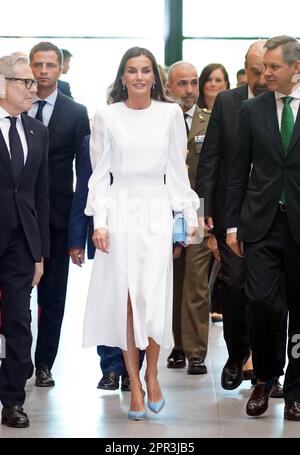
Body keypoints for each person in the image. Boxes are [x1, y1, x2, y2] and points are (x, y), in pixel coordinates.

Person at [83, 46, 199, 420]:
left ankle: (153, 373)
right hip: (119, 210)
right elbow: (99, 174)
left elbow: (177, 172)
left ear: (154, 77)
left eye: (145, 70)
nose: (138, 77)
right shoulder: (105, 116)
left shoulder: (170, 115)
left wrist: (188, 213)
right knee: (128, 300)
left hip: (155, 210)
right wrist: (99, 221)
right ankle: (134, 382)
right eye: (131, 71)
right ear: (122, 77)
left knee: (152, 298)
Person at [195, 40, 285, 395]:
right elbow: (210, 163)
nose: (262, 77)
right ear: (245, 69)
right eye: (255, 70)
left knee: (269, 296)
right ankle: (237, 354)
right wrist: (207, 218)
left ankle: (269, 372)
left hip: (269, 215)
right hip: (231, 212)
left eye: (268, 69)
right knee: (233, 288)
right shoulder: (229, 103)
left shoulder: (283, 106)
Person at [226, 35, 300, 421]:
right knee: (262, 303)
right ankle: (265, 378)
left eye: (273, 67)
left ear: (296, 68)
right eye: (264, 66)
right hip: (261, 224)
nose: (265, 73)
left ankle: (297, 393)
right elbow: (238, 170)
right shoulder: (252, 110)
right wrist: (232, 225)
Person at [28, 41, 90, 388]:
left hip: (57, 217)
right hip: (18, 217)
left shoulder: (76, 112)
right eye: (38, 64)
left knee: (53, 298)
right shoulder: (15, 107)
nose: (43, 71)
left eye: (51, 65)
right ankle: (18, 359)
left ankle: (44, 363)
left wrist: (77, 230)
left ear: (61, 68)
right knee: (17, 293)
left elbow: (86, 174)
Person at [68, 135, 144, 391]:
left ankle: (133, 373)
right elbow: (84, 190)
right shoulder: (92, 141)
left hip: (142, 231)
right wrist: (76, 239)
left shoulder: (147, 136)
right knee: (110, 299)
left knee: (138, 301)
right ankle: (111, 368)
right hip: (106, 235)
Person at [166, 61, 227, 374]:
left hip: (199, 212)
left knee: (196, 284)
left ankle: (196, 352)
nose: (188, 90)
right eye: (182, 84)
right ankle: (176, 345)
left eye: (192, 83)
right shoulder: (160, 119)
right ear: (169, 86)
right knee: (172, 283)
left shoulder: (209, 120)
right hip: (165, 211)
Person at [0, 55, 49, 427]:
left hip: (21, 243)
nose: (34, 88)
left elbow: (40, 196)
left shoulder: (37, 131)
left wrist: (40, 253)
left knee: (20, 320)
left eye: (34, 83)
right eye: (25, 82)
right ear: (2, 85)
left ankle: (13, 401)